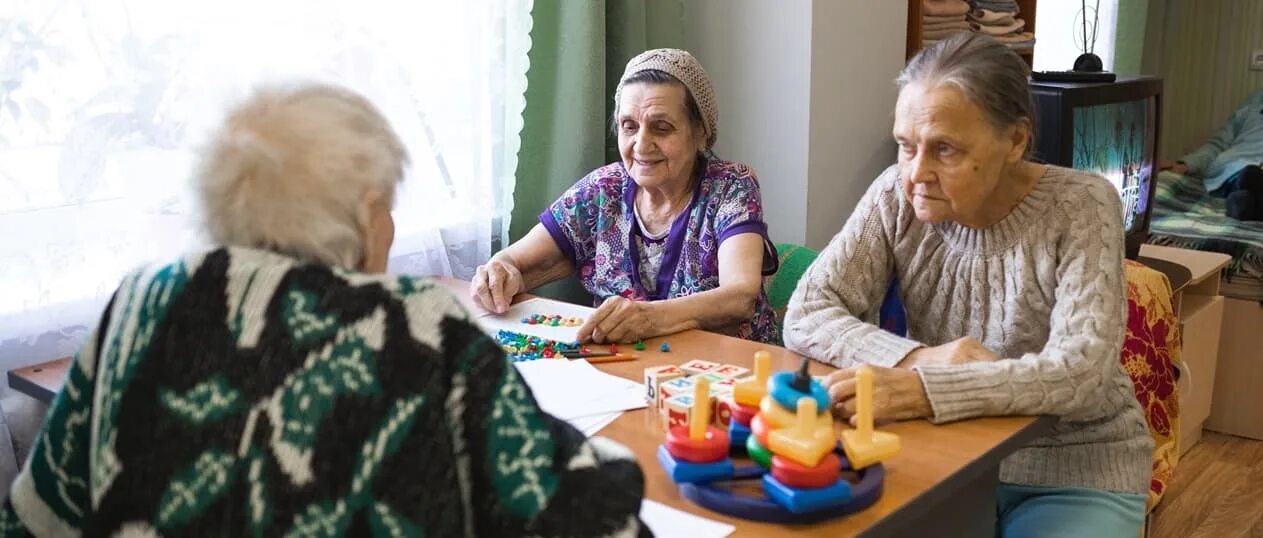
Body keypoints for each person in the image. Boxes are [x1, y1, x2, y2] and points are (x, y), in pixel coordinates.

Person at [0, 83, 649, 536]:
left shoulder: (139, 299)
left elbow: (33, 519)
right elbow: (598, 521)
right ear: (368, 215)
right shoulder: (413, 327)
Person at [784, 33, 1153, 536]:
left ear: (1016, 140)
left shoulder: (1084, 205)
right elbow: (807, 311)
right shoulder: (895, 196)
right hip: (946, 453)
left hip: (1075, 464)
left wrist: (924, 391)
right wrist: (921, 360)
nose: (917, 174)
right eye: (905, 146)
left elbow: (1082, 374)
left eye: (945, 150)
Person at [470, 49, 779, 344]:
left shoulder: (731, 186)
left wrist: (649, 317)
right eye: (629, 126)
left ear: (700, 133)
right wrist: (498, 270)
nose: (642, 144)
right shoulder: (604, 190)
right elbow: (518, 261)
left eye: (661, 128)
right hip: (629, 373)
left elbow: (740, 297)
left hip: (729, 375)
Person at [1159, 89, 1263, 221]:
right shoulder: (1255, 102)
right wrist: (1185, 165)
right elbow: (1217, 145)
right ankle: (1248, 201)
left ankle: (1246, 206)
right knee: (1249, 175)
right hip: (1234, 170)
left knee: (1250, 188)